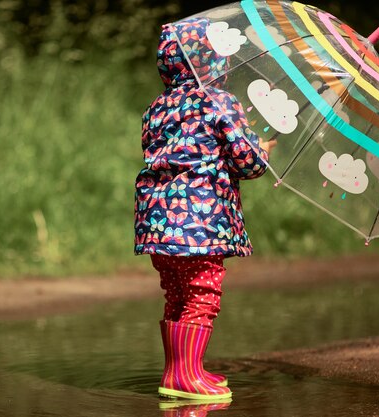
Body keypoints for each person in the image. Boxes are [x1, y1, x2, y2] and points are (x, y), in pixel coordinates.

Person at [134, 17, 276, 400]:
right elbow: (247, 162)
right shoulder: (220, 102)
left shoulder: (156, 108)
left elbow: (182, 152)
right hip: (201, 222)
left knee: (176, 293)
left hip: (158, 222)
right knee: (202, 294)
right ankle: (185, 375)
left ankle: (180, 371)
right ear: (213, 62)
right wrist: (260, 150)